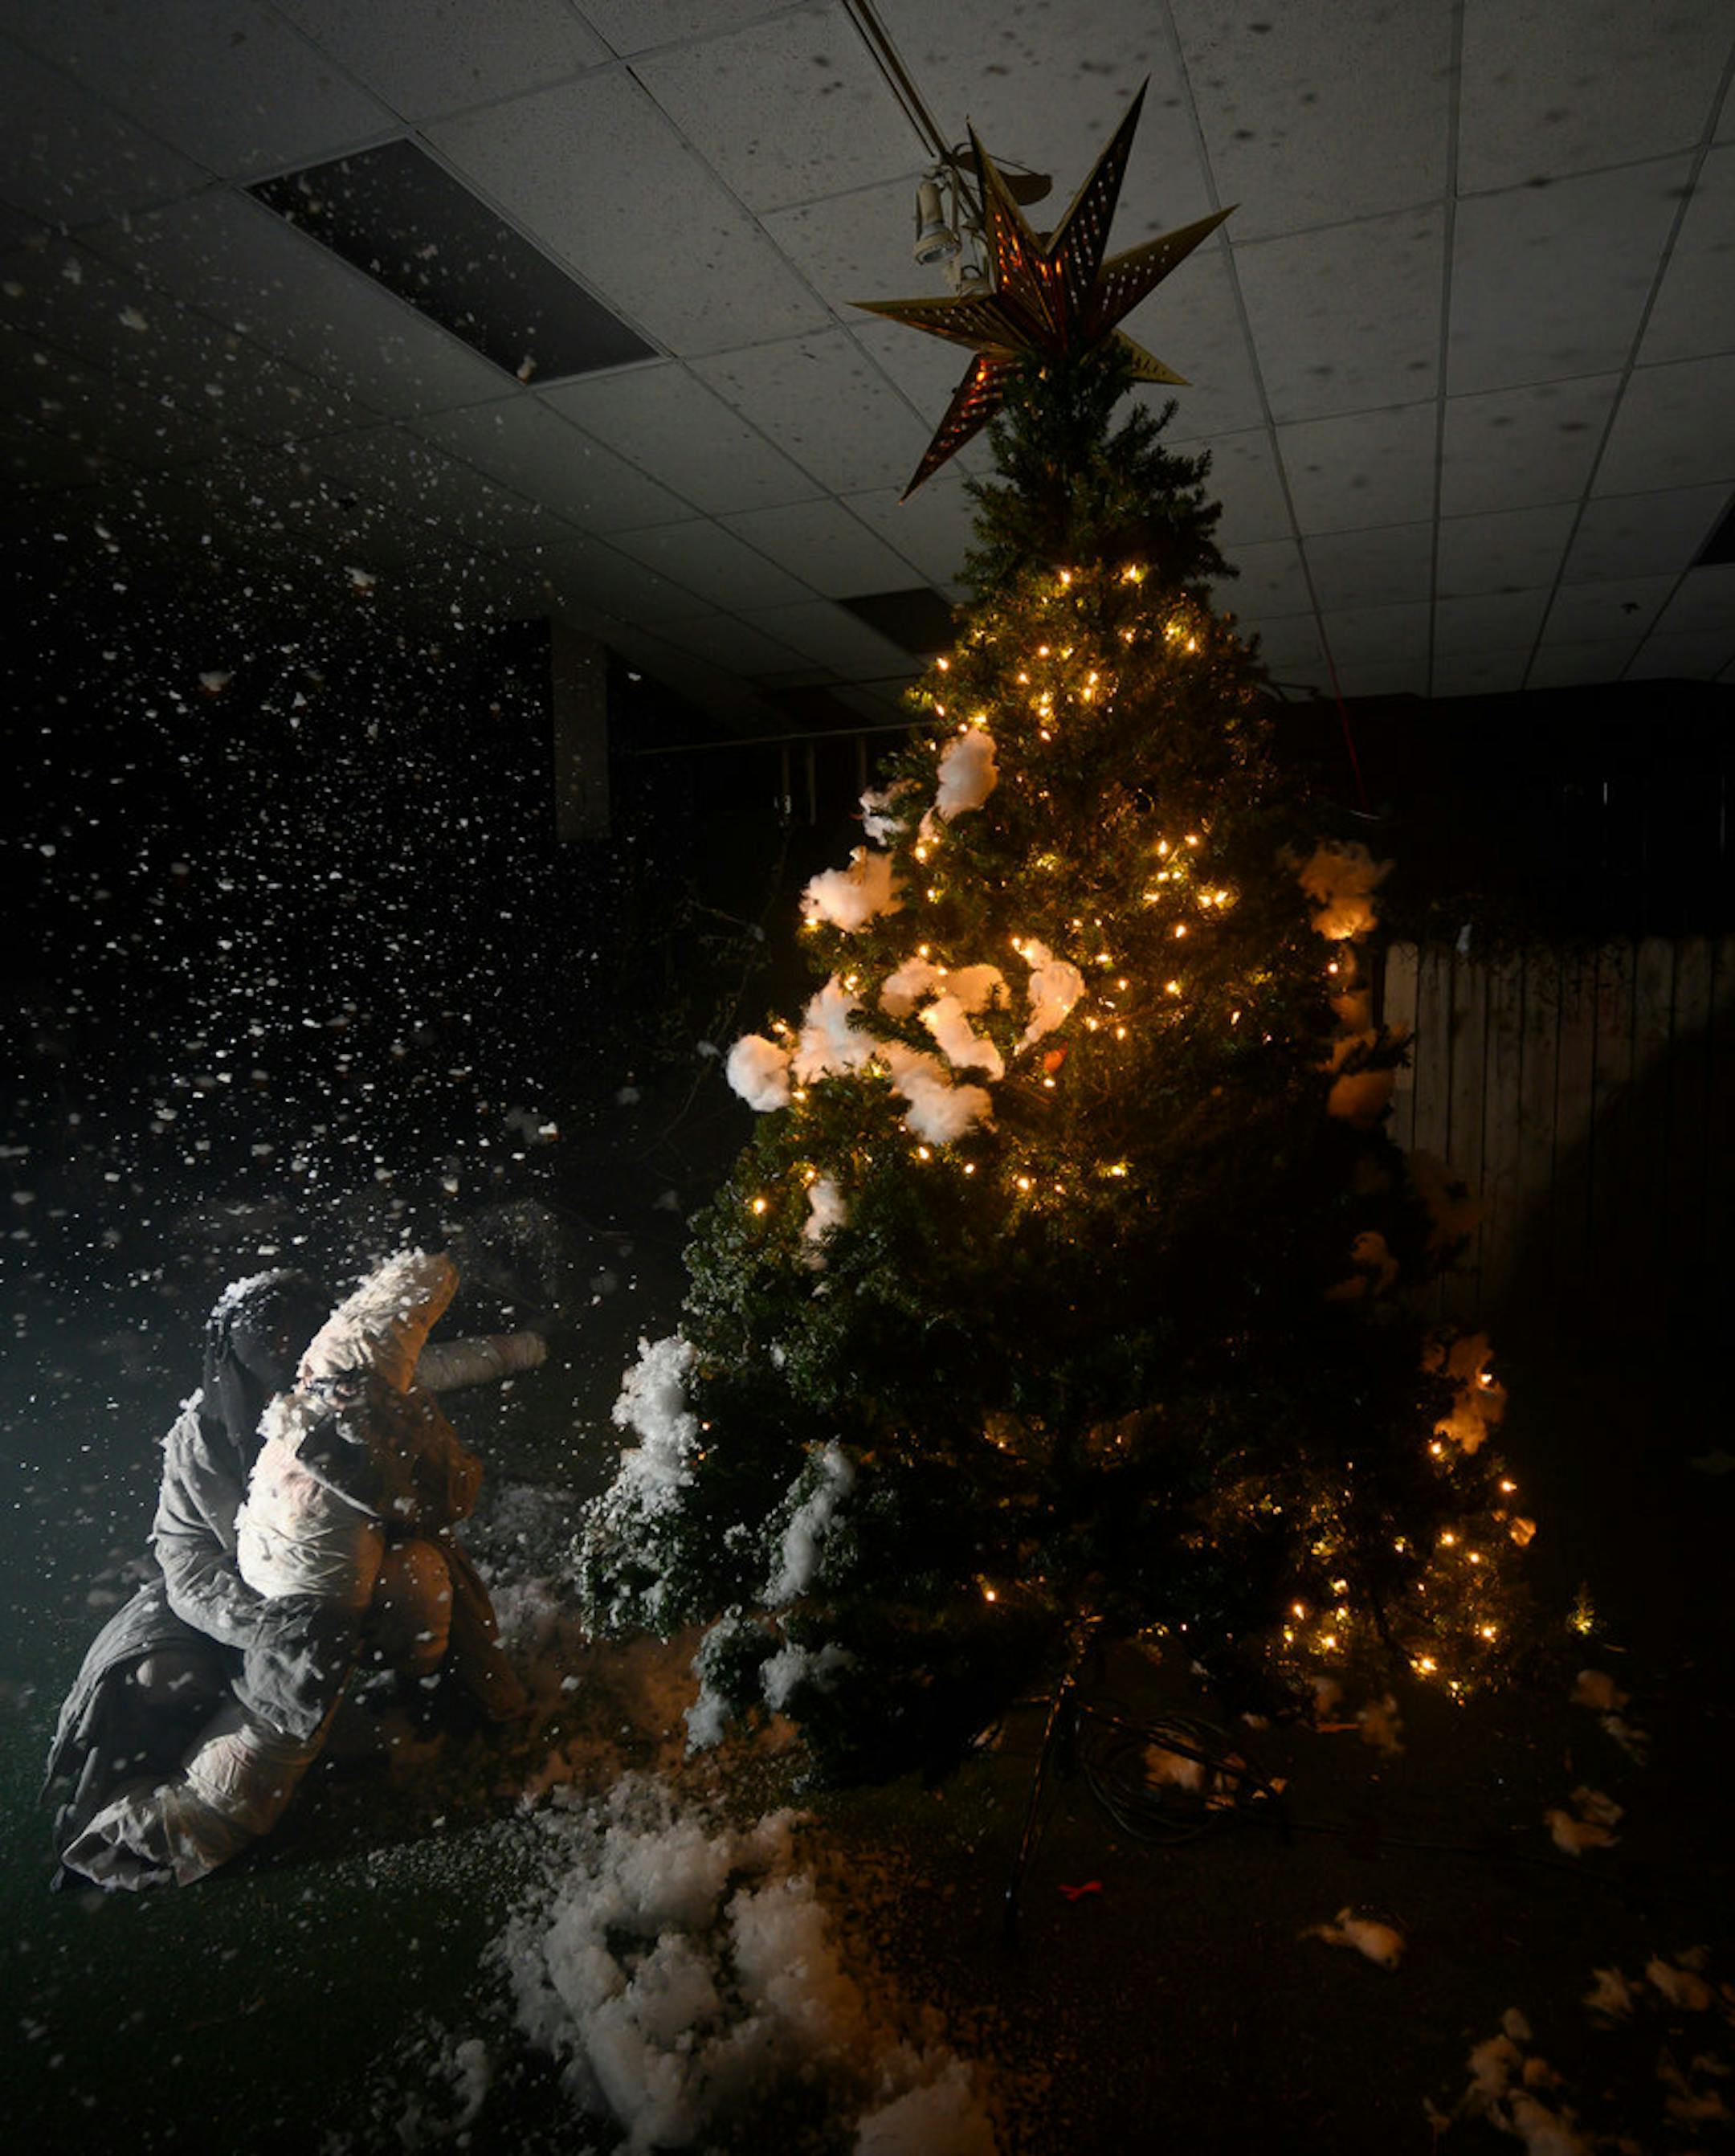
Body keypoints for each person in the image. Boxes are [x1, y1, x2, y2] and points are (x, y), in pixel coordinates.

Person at [45, 1258, 543, 1890]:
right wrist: (263, 1625)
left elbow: (456, 1494)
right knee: (156, 1676)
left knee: (421, 1584)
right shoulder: (201, 1439)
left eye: (294, 1345)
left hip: (366, 1577)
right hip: (240, 1601)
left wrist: (371, 1458)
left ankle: (420, 1692)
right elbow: (185, 1560)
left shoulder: (372, 1398)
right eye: (268, 1351)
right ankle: (202, 1737)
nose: (282, 1367)